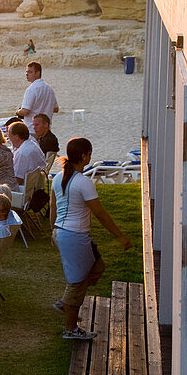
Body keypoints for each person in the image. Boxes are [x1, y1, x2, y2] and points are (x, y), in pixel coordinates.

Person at [51, 137, 132, 340]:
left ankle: (67, 302)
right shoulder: (83, 182)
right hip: (74, 236)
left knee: (97, 267)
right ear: (85, 156)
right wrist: (120, 236)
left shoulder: (57, 178)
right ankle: (70, 328)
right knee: (76, 283)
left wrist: (53, 231)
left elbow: (53, 209)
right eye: (89, 153)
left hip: (64, 233)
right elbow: (100, 214)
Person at [16, 61, 59, 130]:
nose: (27, 74)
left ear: (37, 73)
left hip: (32, 128)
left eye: (30, 72)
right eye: (26, 72)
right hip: (46, 129)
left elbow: (26, 111)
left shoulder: (31, 89)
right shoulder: (49, 89)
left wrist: (18, 112)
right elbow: (56, 109)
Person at [8, 121, 45, 185]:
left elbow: (17, 179)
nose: (9, 139)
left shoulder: (21, 153)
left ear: (17, 137)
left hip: (24, 188)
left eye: (10, 136)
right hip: (36, 183)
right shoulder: (32, 143)